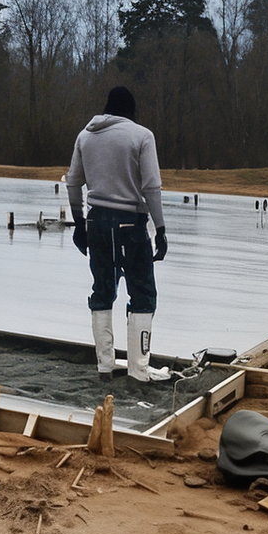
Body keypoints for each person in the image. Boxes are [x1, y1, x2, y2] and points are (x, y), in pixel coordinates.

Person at [65, 85, 170, 382]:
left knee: (102, 290)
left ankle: (105, 367)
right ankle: (138, 369)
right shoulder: (141, 136)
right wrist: (160, 229)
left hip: (96, 222)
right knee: (143, 294)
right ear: (131, 112)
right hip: (130, 225)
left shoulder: (85, 136)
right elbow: (151, 187)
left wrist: (78, 222)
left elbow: (72, 182)